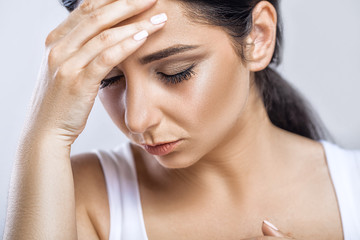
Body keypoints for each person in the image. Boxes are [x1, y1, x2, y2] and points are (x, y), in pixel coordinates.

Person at [3, 0, 360, 239]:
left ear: (258, 37)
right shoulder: (77, 198)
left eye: (175, 72)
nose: (137, 118)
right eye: (108, 79)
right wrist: (45, 137)